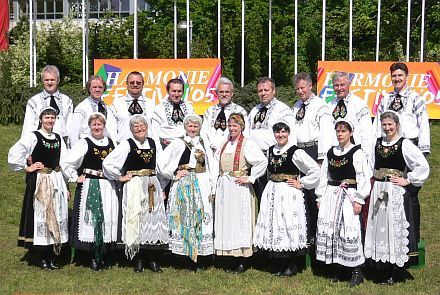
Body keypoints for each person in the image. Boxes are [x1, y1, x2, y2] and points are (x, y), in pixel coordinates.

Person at [364, 111, 429, 285]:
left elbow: (422, 165)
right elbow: (370, 165)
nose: (387, 128)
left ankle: (395, 269)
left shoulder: (404, 144)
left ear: (397, 125)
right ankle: (381, 265)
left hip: (394, 191)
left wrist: (408, 180)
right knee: (379, 226)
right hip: (379, 189)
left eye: (390, 125)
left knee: (393, 227)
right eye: (384, 125)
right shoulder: (377, 143)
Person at [103, 115, 168, 273]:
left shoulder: (153, 143)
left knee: (152, 220)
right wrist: (120, 177)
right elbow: (108, 163)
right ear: (131, 130)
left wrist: (163, 186)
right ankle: (138, 259)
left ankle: (152, 258)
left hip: (152, 184)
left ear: (146, 127)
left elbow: (161, 166)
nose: (139, 129)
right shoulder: (127, 144)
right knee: (136, 218)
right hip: (135, 185)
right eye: (136, 127)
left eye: (142, 126)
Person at [253, 122, 320, 277]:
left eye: (283, 132)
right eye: (277, 132)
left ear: (288, 133)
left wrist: (301, 183)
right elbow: (263, 168)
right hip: (273, 190)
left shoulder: (295, 151)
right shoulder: (270, 150)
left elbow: (314, 169)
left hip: (289, 191)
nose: (280, 135)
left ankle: (292, 264)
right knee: (276, 224)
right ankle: (280, 263)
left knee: (288, 223)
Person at [8, 107, 69, 269]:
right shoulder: (33, 136)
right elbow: (14, 153)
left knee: (55, 213)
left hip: (56, 180)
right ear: (41, 119)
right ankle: (39, 255)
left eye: (52, 117)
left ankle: (51, 254)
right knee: (41, 215)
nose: (50, 120)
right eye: (47, 117)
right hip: (40, 181)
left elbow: (64, 162)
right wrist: (26, 167)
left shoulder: (58, 138)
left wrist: (67, 184)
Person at [315, 118, 371, 287]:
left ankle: (356, 271)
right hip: (332, 195)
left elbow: (363, 178)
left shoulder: (357, 153)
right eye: (338, 131)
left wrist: (359, 200)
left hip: (348, 196)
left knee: (348, 231)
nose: (340, 134)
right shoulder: (331, 152)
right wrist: (320, 197)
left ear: (351, 133)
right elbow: (324, 176)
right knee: (333, 230)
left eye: (343, 131)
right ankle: (339, 268)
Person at [157, 114, 216, 271]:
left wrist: (212, 185)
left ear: (200, 128)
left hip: (202, 182)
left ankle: (200, 255)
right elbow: (162, 162)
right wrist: (173, 174)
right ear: (185, 127)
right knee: (184, 217)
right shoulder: (178, 143)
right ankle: (184, 256)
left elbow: (211, 165)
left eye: (195, 126)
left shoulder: (204, 143)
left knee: (200, 216)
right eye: (190, 126)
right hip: (184, 183)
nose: (192, 129)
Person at [60, 112, 118, 271]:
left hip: (108, 186)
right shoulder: (84, 143)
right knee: (92, 218)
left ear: (104, 126)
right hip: (90, 185)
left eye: (100, 124)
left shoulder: (111, 143)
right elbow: (66, 162)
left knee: (106, 217)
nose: (97, 127)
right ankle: (91, 256)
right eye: (94, 125)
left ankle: (103, 254)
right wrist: (75, 177)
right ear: (90, 126)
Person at [214, 113, 267, 273]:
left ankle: (243, 258)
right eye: (230, 126)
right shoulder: (224, 144)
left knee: (239, 220)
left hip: (239, 187)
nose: (232, 128)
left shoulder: (247, 143)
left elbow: (261, 161)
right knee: (227, 219)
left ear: (241, 127)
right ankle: (228, 255)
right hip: (224, 185)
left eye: (235, 125)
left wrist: (250, 178)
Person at [292, 72, 333, 254]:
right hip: (300, 151)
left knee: (315, 194)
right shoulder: (296, 106)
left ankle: (318, 236)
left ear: (310, 87)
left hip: (314, 150)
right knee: (301, 193)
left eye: (303, 87)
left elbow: (325, 132)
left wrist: (321, 159)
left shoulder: (320, 106)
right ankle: (306, 234)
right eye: (298, 88)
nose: (300, 91)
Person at [248, 77, 296, 199]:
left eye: (266, 90)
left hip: (273, 158)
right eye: (260, 91)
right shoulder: (254, 110)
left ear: (273, 91)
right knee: (258, 194)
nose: (263, 93)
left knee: (273, 195)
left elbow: (288, 134)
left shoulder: (282, 109)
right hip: (255, 159)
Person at [373, 62, 430, 155]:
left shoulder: (415, 98)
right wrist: (374, 144)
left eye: (400, 75)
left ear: (407, 77)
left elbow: (423, 123)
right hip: (388, 145)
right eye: (394, 76)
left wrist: (423, 149)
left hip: (410, 145)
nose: (397, 79)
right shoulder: (386, 98)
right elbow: (377, 123)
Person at [22, 65, 73, 148]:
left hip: (61, 145)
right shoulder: (34, 101)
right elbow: (27, 127)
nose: (49, 82)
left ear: (58, 80)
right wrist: (26, 149)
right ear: (42, 81)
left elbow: (70, 126)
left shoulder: (67, 101)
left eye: (52, 80)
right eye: (46, 80)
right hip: (39, 145)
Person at [328, 72, 373, 162]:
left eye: (342, 85)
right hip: (335, 151)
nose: (339, 88)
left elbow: (366, 132)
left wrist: (366, 155)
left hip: (354, 151)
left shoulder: (359, 104)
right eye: (336, 85)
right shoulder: (329, 105)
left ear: (348, 84)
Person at [200, 77, 248, 152]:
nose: (224, 94)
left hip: (231, 151)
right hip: (210, 152)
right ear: (216, 93)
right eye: (221, 92)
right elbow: (204, 133)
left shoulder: (240, 111)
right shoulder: (209, 111)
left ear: (232, 93)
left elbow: (245, 133)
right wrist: (208, 148)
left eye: (227, 92)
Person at [69, 75, 117, 148]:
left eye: (100, 87)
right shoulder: (82, 108)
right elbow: (74, 133)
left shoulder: (108, 108)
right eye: (94, 87)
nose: (97, 90)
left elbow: (112, 130)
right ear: (89, 89)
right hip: (88, 149)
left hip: (107, 148)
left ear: (104, 89)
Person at [110, 71, 156, 143]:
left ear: (143, 84)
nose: (135, 85)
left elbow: (156, 129)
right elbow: (111, 129)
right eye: (131, 83)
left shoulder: (151, 104)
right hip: (124, 147)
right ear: (126, 84)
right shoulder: (116, 104)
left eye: (138, 83)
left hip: (146, 147)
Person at [151, 78, 195, 151]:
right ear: (168, 91)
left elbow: (194, 129)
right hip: (166, 147)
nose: (176, 94)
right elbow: (154, 133)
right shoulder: (159, 108)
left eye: (179, 91)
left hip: (186, 147)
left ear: (183, 92)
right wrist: (159, 151)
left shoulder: (189, 107)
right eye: (174, 91)